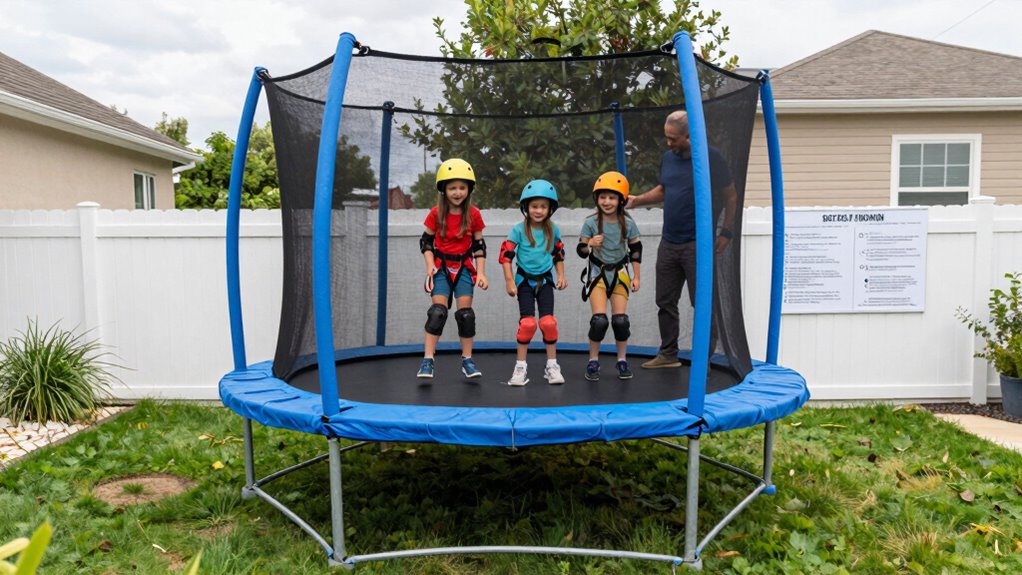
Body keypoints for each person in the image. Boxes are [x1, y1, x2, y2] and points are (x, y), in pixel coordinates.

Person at [626, 110, 737, 368]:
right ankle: (668, 354)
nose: (669, 143)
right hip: (670, 242)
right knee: (664, 300)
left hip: (698, 244)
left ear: (690, 136)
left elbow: (730, 195)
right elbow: (665, 189)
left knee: (702, 303)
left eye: (673, 139)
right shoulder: (669, 158)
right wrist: (637, 201)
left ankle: (703, 360)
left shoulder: (711, 158)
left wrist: (727, 232)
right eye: (667, 138)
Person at [417, 158, 489, 379]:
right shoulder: (436, 213)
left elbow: (479, 245)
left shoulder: (474, 214)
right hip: (441, 268)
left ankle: (467, 360)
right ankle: (428, 360)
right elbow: (426, 242)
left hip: (465, 268)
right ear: (443, 189)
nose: (457, 192)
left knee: (466, 316)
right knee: (437, 313)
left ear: (468, 189)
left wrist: (482, 272)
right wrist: (430, 267)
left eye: (461, 187)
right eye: (452, 188)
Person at [499, 180, 567, 386]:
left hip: (545, 280)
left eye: (543, 207)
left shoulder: (553, 230)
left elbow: (558, 254)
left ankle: (552, 366)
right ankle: (520, 367)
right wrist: (510, 281)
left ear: (550, 209)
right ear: (526, 207)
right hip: (524, 282)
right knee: (528, 324)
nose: (538, 210)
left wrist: (561, 275)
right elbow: (505, 256)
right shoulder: (518, 230)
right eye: (534, 206)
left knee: (548, 323)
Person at [576, 171, 642, 381]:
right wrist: (589, 244)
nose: (607, 201)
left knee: (620, 321)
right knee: (599, 321)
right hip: (598, 275)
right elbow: (580, 250)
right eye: (603, 197)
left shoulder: (628, 223)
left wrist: (636, 276)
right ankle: (593, 361)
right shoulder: (591, 222)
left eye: (612, 197)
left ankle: (622, 360)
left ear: (621, 199)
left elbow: (636, 249)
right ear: (597, 198)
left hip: (620, 274)